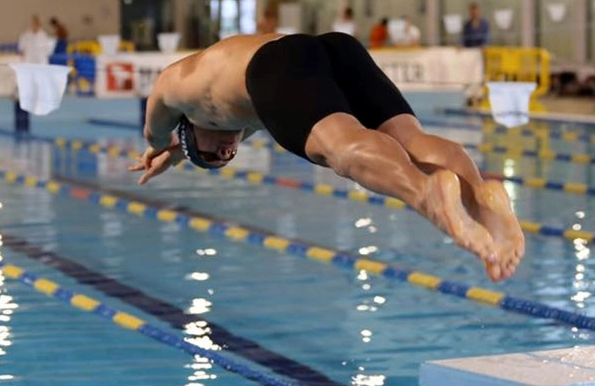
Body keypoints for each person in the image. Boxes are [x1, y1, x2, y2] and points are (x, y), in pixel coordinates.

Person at [128, 32, 525, 283]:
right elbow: (245, 117)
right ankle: (482, 195)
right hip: (331, 47)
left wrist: (162, 150)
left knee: (342, 149)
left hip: (275, 65)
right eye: (226, 158)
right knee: (409, 137)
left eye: (211, 153)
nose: (226, 151)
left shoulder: (172, 90)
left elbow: (153, 131)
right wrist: (183, 153)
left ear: (189, 128)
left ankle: (426, 192)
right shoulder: (232, 107)